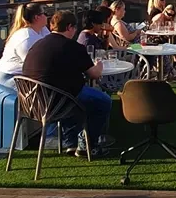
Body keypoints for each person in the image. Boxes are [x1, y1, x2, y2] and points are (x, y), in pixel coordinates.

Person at [22, 10, 112, 158]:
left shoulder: (38, 44)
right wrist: (99, 64)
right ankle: (88, 145)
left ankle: (70, 142)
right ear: (70, 27)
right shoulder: (73, 47)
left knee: (74, 93)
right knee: (103, 101)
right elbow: (94, 74)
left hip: (32, 103)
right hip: (59, 102)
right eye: (74, 28)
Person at [0, 3, 49, 92]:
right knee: (45, 93)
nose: (47, 16)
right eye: (44, 13)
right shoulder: (26, 38)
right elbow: (33, 67)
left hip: (25, 75)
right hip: (9, 77)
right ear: (36, 17)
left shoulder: (42, 30)